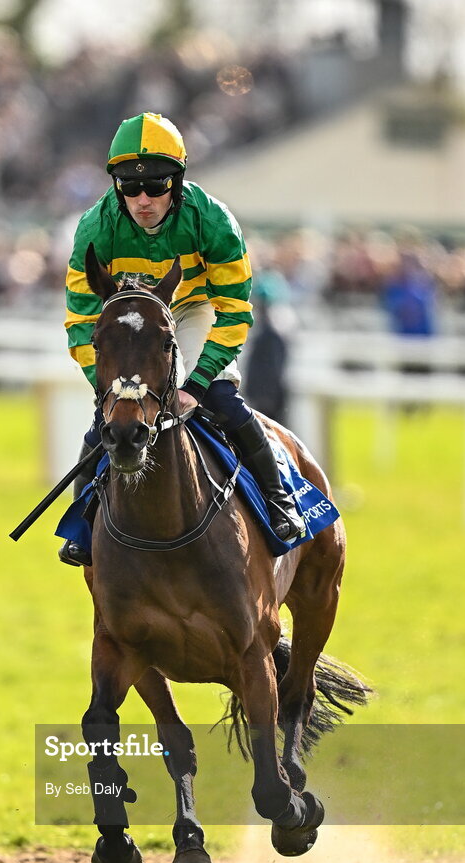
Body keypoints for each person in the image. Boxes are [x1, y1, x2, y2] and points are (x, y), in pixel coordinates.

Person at [60, 112, 305, 565]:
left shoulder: (212, 221)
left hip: (192, 309)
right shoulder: (95, 227)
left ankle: (278, 500)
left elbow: (234, 310)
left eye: (156, 185)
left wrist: (195, 384)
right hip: (129, 315)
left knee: (222, 401)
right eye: (129, 187)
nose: (143, 199)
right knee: (108, 418)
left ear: (178, 179)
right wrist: (107, 383)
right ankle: (81, 525)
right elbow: (80, 319)